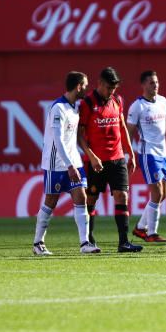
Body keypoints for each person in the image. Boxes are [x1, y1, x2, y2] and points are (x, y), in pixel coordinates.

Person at [78, 67, 143, 253]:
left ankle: (123, 242)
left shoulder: (117, 100)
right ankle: (89, 240)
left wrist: (130, 152)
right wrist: (91, 156)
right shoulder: (88, 103)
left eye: (114, 88)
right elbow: (80, 136)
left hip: (117, 158)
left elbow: (122, 127)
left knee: (123, 196)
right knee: (91, 199)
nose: (111, 91)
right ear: (99, 83)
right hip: (96, 161)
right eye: (108, 87)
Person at [33, 71, 95, 255]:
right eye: (85, 85)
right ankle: (38, 243)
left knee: (81, 197)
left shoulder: (74, 107)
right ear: (78, 86)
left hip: (73, 160)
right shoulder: (58, 108)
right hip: (56, 164)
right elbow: (58, 140)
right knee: (51, 202)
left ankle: (85, 243)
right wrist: (68, 166)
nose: (86, 88)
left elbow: (72, 138)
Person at [128, 70, 166, 243]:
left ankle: (139, 227)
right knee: (157, 192)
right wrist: (128, 154)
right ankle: (152, 233)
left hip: (163, 153)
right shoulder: (137, 106)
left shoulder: (162, 101)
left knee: (163, 194)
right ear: (143, 85)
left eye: (157, 82)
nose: (156, 85)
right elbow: (128, 133)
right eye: (152, 83)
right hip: (148, 154)